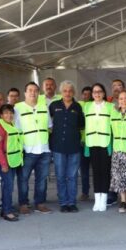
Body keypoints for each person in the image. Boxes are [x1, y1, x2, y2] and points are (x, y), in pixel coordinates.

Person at [15, 82, 52, 214]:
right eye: (30, 90)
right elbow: (15, 128)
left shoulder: (44, 106)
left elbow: (49, 126)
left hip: (44, 149)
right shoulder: (17, 108)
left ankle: (40, 203)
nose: (33, 93)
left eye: (35, 90)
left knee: (42, 179)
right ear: (25, 93)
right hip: (27, 149)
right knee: (23, 178)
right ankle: (23, 204)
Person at [49, 81, 84, 213]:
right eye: (65, 91)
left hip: (74, 147)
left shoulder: (78, 107)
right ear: (61, 92)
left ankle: (72, 202)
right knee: (60, 176)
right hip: (58, 147)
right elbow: (48, 123)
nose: (67, 93)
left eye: (70, 91)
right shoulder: (54, 105)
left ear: (73, 92)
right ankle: (63, 203)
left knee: (72, 176)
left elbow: (81, 124)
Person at [83, 83, 113, 212]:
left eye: (100, 91)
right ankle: (97, 199)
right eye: (95, 92)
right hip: (92, 142)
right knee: (95, 172)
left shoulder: (110, 106)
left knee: (105, 172)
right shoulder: (87, 106)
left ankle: (104, 199)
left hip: (105, 142)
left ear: (104, 93)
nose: (97, 93)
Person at [0, 104, 22, 222]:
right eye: (6, 113)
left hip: (13, 160)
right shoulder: (0, 127)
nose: (9, 115)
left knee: (8, 186)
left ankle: (7, 207)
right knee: (8, 186)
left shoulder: (11, 124)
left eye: (11, 113)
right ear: (1, 115)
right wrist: (4, 164)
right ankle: (7, 211)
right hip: (4, 162)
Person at [79, 86, 93, 202]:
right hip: (82, 143)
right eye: (85, 94)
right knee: (84, 170)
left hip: (94, 142)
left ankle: (101, 192)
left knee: (98, 169)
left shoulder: (96, 106)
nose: (87, 96)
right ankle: (85, 192)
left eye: (89, 94)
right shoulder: (79, 105)